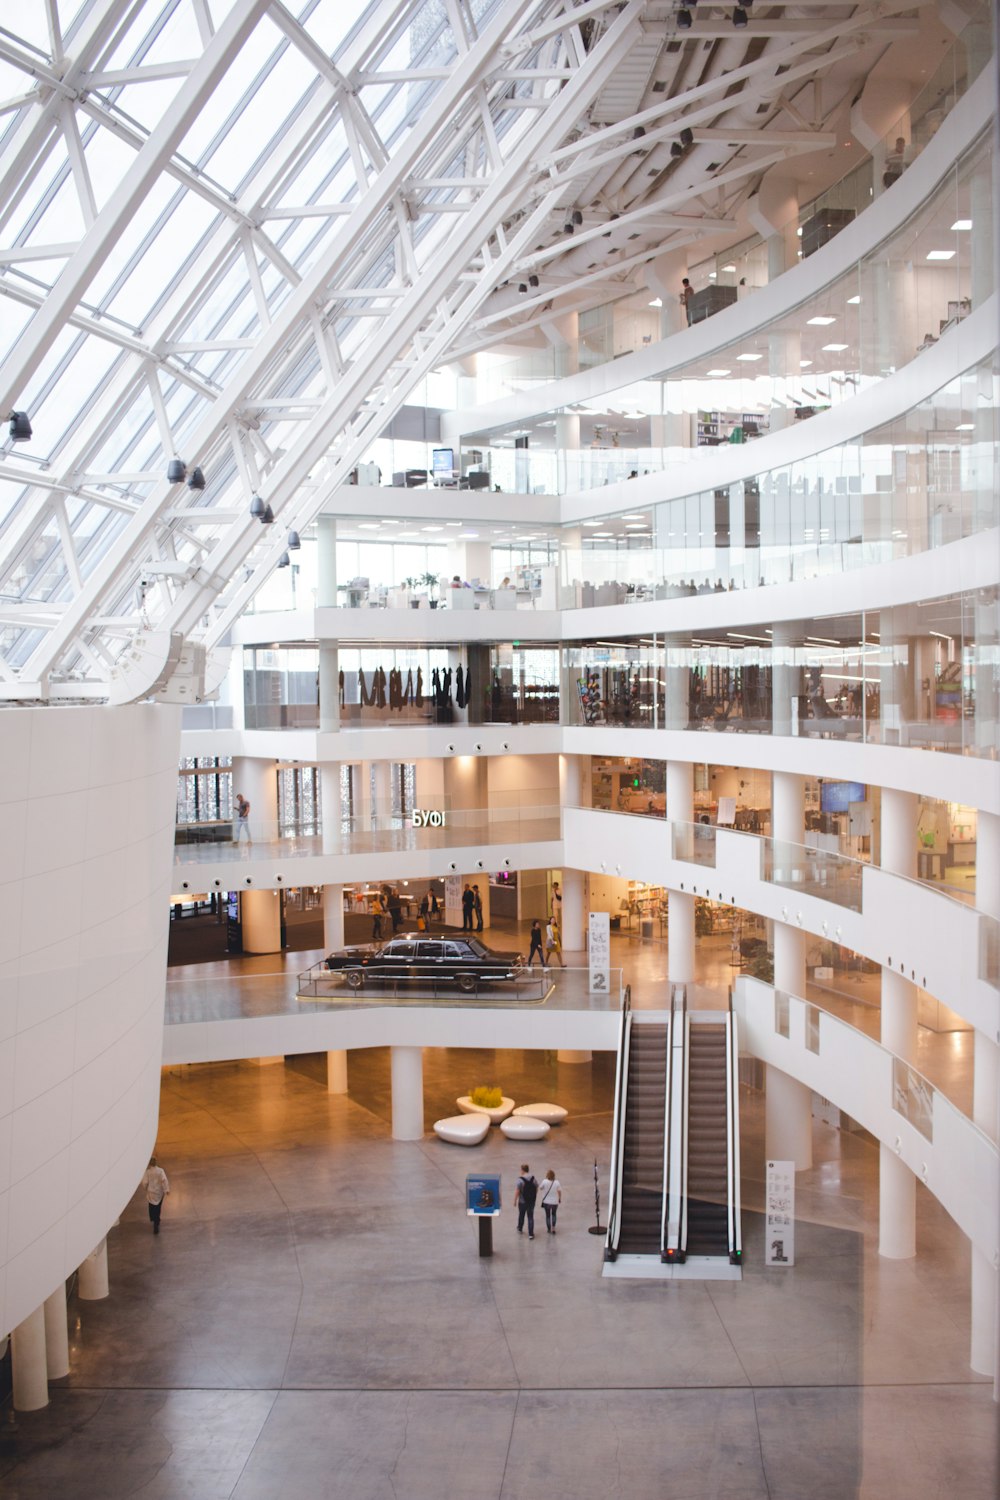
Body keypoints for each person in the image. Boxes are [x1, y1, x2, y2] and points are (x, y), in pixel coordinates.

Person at [142, 1156, 170, 1235]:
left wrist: (146, 1188)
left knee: (152, 1207)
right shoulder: (160, 1171)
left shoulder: (147, 1172)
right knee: (158, 1207)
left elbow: (144, 1182)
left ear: (149, 1164)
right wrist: (166, 1190)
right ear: (156, 1162)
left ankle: (154, 1219)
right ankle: (157, 1221)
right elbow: (164, 1180)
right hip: (159, 1193)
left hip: (151, 1193)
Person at [515, 1165, 538, 1238]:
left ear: (522, 1170)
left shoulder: (520, 1180)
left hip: (522, 1201)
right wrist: (534, 1197)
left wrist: (515, 1200)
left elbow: (517, 1191)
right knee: (530, 1216)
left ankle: (520, 1228)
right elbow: (536, 1187)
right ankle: (531, 1234)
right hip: (531, 1201)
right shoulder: (533, 1178)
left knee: (521, 1215)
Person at [540, 1169, 562, 1234]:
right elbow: (559, 1191)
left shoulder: (544, 1181)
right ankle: (553, 1228)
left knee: (548, 1216)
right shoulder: (557, 1182)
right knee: (554, 1214)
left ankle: (549, 1228)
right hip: (555, 1202)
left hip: (546, 1202)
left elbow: (540, 1188)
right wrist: (560, 1198)